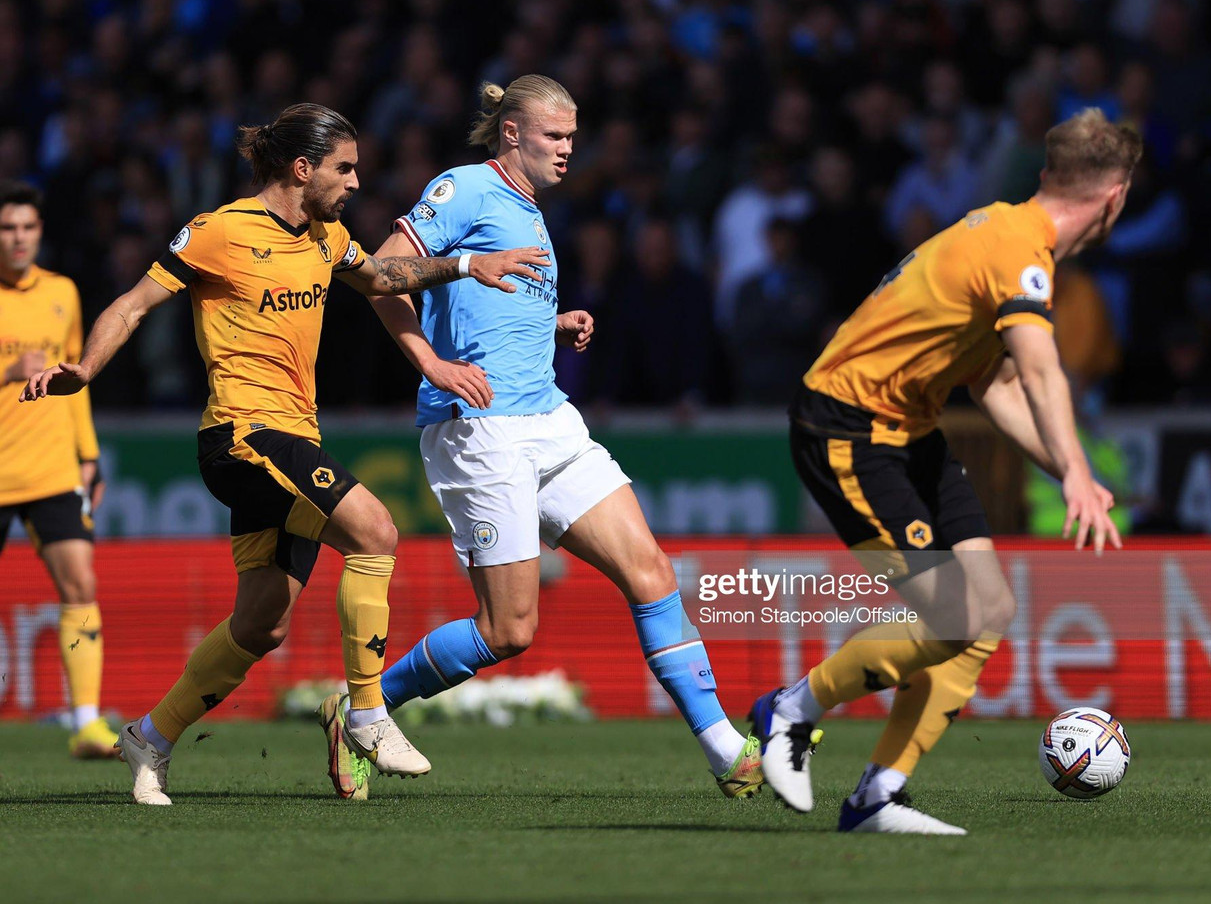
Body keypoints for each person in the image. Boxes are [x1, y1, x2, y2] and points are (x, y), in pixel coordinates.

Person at [21, 103, 546, 805]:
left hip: (294, 438)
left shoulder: (326, 235)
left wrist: (468, 263)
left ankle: (152, 734)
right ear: (302, 169)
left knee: (262, 622)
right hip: (242, 436)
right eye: (344, 168)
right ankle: (366, 712)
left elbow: (385, 280)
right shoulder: (219, 232)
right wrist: (84, 370)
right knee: (376, 530)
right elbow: (132, 305)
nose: (357, 182)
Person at [368, 75, 764, 799]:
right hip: (480, 429)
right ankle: (365, 706)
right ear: (513, 133)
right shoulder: (465, 188)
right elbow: (376, 271)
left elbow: (489, 311)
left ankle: (726, 750)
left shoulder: (530, 208)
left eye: (573, 138)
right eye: (555, 136)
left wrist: (552, 324)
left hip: (550, 419)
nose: (567, 150)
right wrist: (432, 355)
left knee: (651, 570)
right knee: (510, 629)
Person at [753, 108, 1137, 834]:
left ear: (1048, 174)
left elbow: (991, 384)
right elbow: (1041, 371)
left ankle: (878, 794)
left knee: (987, 611)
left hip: (908, 428)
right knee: (954, 612)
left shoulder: (998, 228)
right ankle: (788, 709)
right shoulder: (1021, 254)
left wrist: (1062, 470)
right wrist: (1081, 470)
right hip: (846, 427)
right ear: (1114, 197)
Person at [0, 181, 116, 765]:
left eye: (27, 228)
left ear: (39, 233)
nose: (18, 239)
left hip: (54, 466)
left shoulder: (62, 292)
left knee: (80, 583)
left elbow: (74, 381)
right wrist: (7, 368)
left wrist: (88, 453)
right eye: (7, 228)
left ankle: (86, 722)